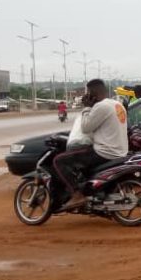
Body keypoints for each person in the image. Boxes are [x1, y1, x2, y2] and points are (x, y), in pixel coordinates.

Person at [53, 79, 129, 210]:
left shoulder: (101, 107)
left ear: (92, 94)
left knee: (59, 161)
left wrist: (87, 107)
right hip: (120, 150)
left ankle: (77, 194)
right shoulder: (117, 104)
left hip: (104, 152)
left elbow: (85, 128)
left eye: (87, 92)